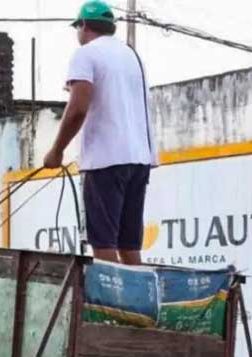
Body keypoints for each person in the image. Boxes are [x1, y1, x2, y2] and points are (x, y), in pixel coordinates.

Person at [44, 0, 158, 264]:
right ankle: (135, 302)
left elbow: (77, 109)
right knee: (129, 243)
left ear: (83, 26)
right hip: (139, 159)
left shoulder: (85, 54)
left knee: (103, 241)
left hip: (105, 160)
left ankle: (111, 304)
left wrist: (56, 151)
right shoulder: (131, 55)